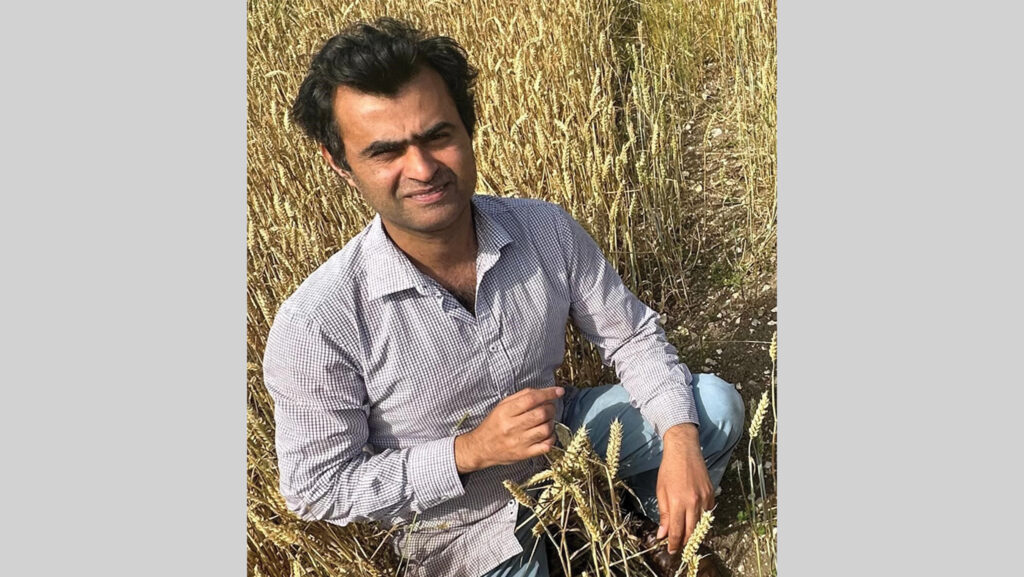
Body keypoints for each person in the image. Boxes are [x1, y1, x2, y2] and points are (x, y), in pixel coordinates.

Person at [262, 17, 745, 577]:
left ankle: (629, 525)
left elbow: (631, 336)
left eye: (437, 135)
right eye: (385, 152)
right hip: (457, 531)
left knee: (713, 410)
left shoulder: (544, 229)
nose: (421, 169)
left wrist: (681, 442)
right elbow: (317, 488)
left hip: (566, 444)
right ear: (340, 163)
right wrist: (470, 451)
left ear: (468, 129)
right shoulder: (317, 322)